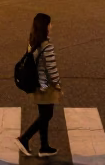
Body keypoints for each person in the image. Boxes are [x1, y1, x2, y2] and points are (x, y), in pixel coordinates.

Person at [15, 13, 60, 157]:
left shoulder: (32, 42)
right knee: (47, 115)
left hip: (36, 86)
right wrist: (57, 85)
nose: (51, 26)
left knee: (44, 115)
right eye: (49, 24)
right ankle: (24, 138)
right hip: (45, 87)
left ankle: (44, 147)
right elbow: (52, 70)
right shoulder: (47, 47)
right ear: (45, 27)